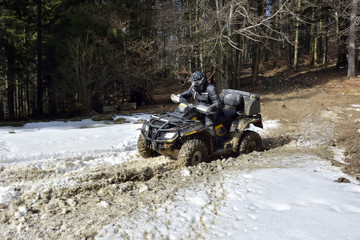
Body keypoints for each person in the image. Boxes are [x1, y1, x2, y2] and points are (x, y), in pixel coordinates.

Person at [180, 71, 223, 150]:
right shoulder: (193, 87)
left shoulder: (210, 88)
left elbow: (218, 103)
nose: (194, 83)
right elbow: (187, 94)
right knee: (185, 119)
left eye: (195, 82)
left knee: (208, 125)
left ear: (201, 81)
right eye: (193, 82)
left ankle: (214, 147)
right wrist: (180, 96)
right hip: (198, 109)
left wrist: (210, 108)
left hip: (211, 111)